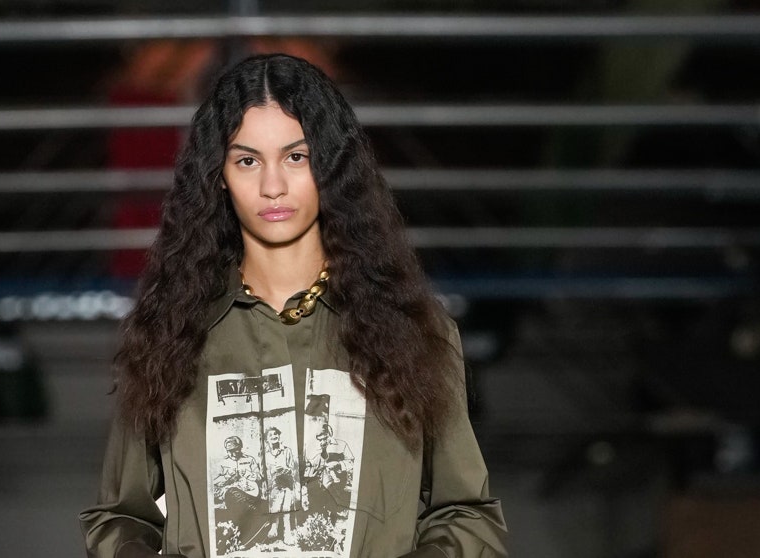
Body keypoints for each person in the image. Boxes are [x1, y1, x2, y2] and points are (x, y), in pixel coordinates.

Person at [79, 53, 508, 558]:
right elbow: (121, 518)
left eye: (296, 157)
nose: (273, 186)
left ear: (331, 165)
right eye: (247, 160)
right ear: (218, 175)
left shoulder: (414, 332)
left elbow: (466, 513)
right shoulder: (170, 334)